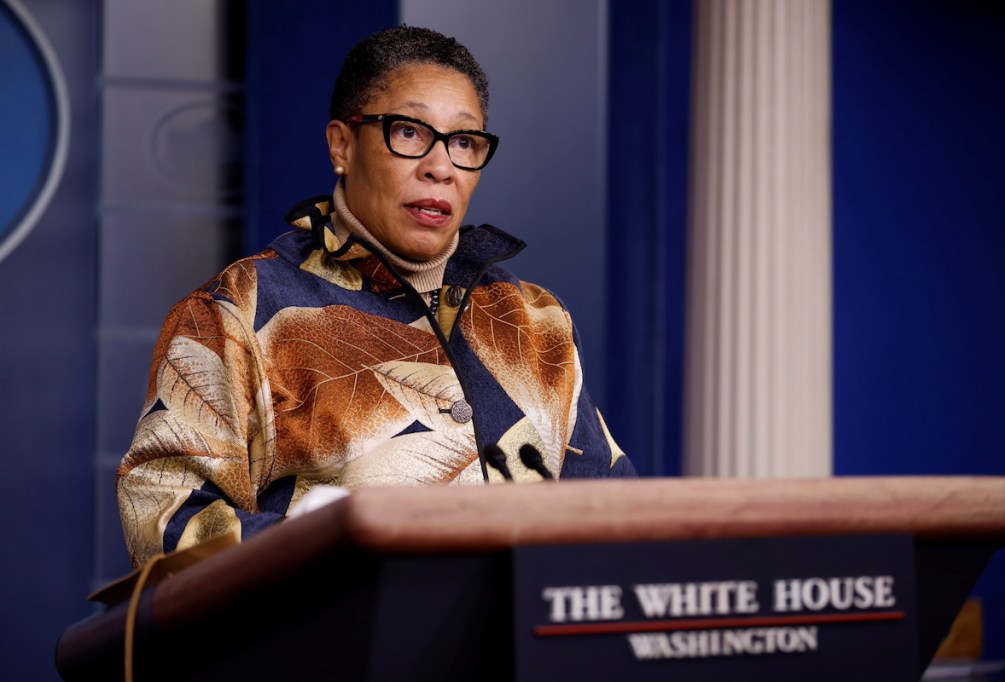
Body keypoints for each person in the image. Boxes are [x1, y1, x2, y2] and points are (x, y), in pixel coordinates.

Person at [117, 25, 636, 569]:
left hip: (526, 652)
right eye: (409, 132)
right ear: (342, 145)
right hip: (337, 648)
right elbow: (164, 521)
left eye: (463, 142)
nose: (440, 167)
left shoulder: (535, 320)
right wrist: (341, 546)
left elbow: (612, 514)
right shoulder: (237, 311)